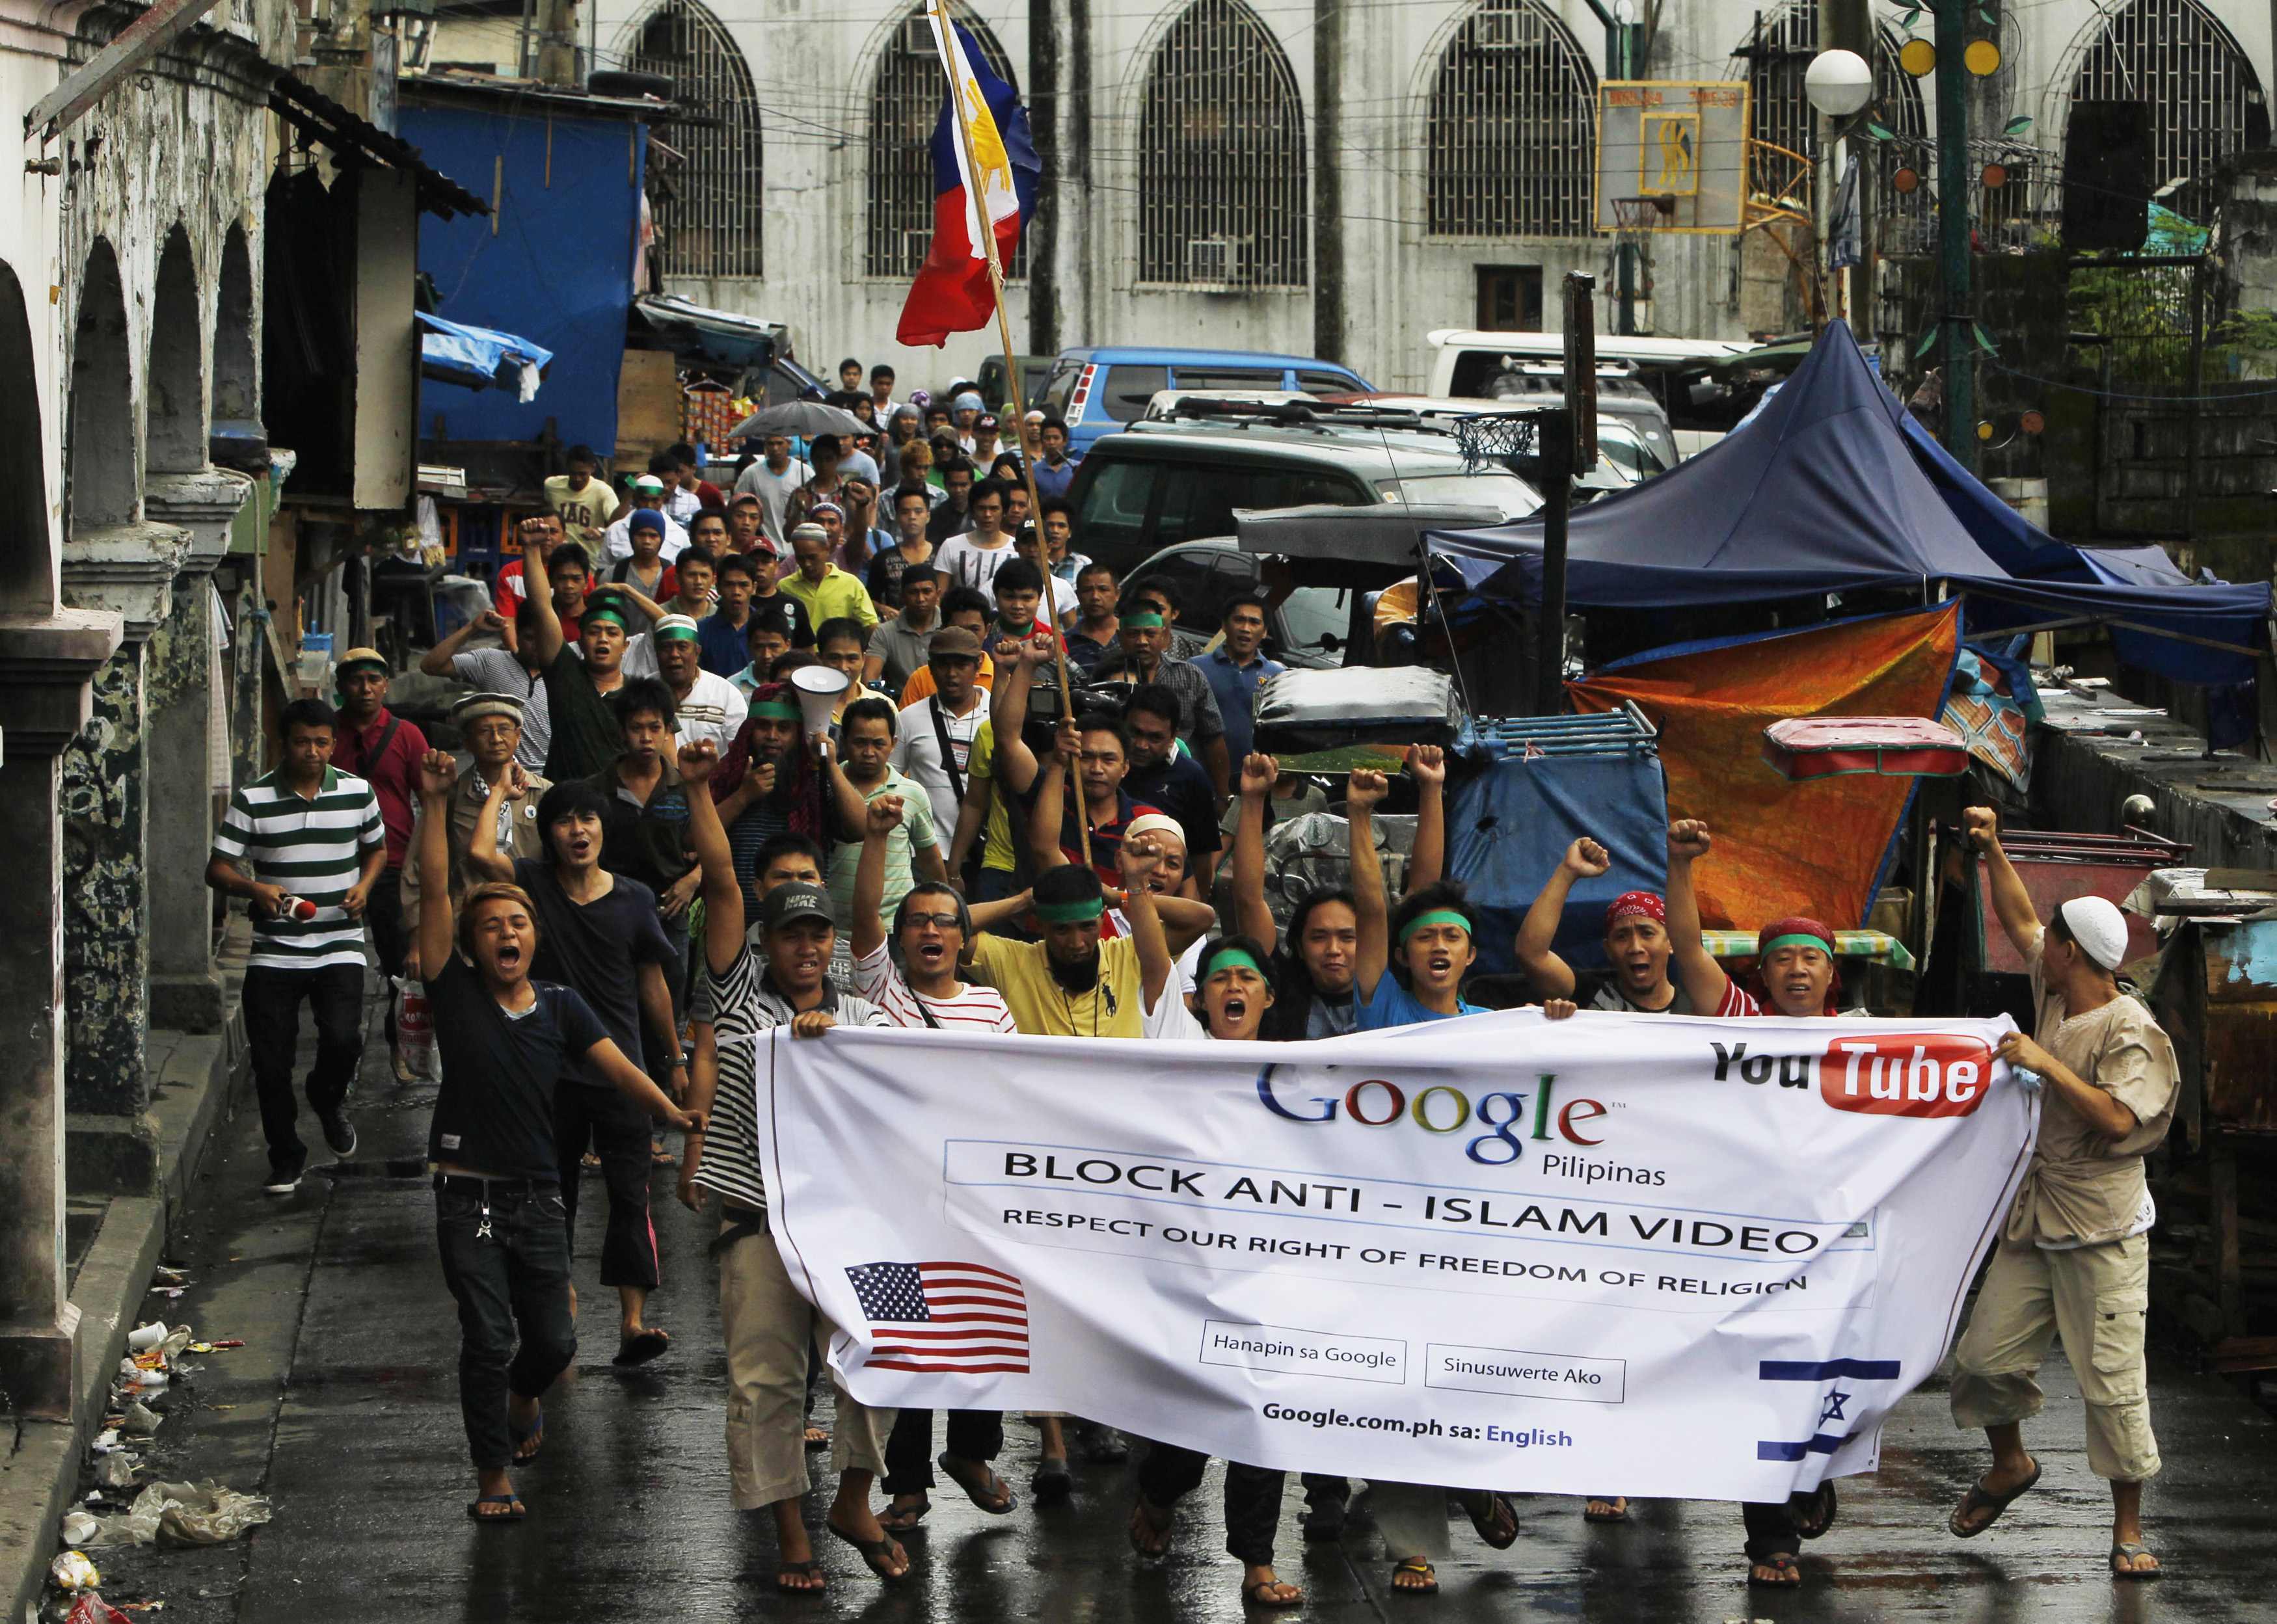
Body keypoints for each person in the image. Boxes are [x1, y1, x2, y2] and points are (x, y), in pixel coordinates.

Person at [407, 748, 699, 1524]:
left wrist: (668, 1108)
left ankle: (524, 1393)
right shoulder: (455, 991)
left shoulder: (563, 1006)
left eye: (519, 923)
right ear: (472, 946)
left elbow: (614, 1064)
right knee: (485, 1333)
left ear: (533, 938)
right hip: (467, 1193)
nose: (508, 933)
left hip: (537, 1197)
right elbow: (438, 890)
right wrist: (436, 803)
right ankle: (493, 1474)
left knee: (554, 1344)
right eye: (493, 926)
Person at [673, 739, 908, 1594]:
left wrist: (831, 1044)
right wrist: (702, 788)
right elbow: (724, 882)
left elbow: (898, 1095)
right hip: (759, 1223)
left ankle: (853, 1500)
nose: (805, 947)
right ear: (767, 942)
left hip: (854, 1225)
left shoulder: (863, 1015)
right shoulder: (737, 997)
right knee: (765, 1384)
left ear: (830, 942)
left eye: (817, 932)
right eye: (791, 934)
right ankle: (790, 1532)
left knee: (890, 1355)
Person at [1946, 807, 2176, 1581]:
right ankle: (2008, 1464)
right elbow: (2015, 915)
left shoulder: (2127, 1027)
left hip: (2103, 1228)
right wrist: (1992, 847)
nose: (2035, 947)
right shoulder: (2057, 992)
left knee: (2111, 1384)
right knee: (1981, 1360)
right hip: (2037, 1217)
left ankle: (2126, 1527)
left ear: (2071, 952)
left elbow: (2117, 1117)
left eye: (2050, 941)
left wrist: (2045, 1066)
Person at [1657, 819, 1852, 1585]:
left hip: (1836, 1243)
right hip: (1750, 1241)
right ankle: (1769, 1538)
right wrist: (1680, 865)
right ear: (1763, 976)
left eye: (1810, 957)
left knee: (1828, 1374)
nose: (1796, 970)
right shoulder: (1744, 1024)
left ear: (1829, 973)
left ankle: (1811, 1476)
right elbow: (1686, 951)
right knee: (1756, 1384)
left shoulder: (1872, 1041)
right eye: (1782, 959)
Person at [841, 794, 1024, 1533]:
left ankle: (973, 1452)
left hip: (972, 1196)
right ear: (900, 936)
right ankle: (908, 1484)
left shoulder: (989, 1005)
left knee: (981, 1324)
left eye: (944, 921)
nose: (929, 931)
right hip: (894, 1197)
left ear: (963, 940)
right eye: (916, 920)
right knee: (909, 1336)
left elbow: (1014, 1093)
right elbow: (860, 923)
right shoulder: (880, 993)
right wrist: (879, 838)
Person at [463, 768, 686, 1365]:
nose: (578, 830)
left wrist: (674, 1058)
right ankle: (555, 1315)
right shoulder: (532, 884)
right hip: (548, 1074)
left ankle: (633, 1323)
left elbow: (652, 983)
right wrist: (505, 797)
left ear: (603, 829)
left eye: (587, 819)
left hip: (622, 1072)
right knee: (548, 1195)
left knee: (630, 1196)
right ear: (549, 832)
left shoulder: (635, 898)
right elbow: (482, 853)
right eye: (564, 820)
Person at [1130, 934, 1302, 1607]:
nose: (1235, 988)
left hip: (1269, 1276)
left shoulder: (1302, 1073)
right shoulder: (1180, 1048)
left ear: (1267, 994)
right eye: (1221, 978)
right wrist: (1139, 890)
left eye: (1247, 977)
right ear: (1199, 999)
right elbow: (1151, 959)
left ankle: (1256, 1564)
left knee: (1261, 1414)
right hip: (1189, 1274)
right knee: (1192, 1431)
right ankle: (1158, 1488)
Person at [206, 698, 386, 1193]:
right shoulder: (253, 798)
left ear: (334, 744)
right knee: (269, 1061)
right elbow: (217, 868)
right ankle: (286, 1156)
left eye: (322, 742)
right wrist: (255, 888)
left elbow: (377, 850)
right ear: (283, 743)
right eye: (303, 741)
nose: (312, 751)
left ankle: (327, 1099)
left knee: (345, 1038)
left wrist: (365, 888)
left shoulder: (356, 792)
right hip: (276, 947)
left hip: (339, 942)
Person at [963, 859, 1211, 1041]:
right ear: (1040, 925)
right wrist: (1020, 902)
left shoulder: (1128, 955)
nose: (1077, 942)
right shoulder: (1012, 961)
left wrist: (1119, 897)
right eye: (1061, 930)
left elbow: (1202, 918)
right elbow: (947, 924)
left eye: (1087, 927)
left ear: (1103, 918)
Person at [329, 646, 429, 1078]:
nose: (366, 689)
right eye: (356, 680)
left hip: (393, 865)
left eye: (374, 679)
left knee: (400, 964)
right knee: (334, 961)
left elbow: (429, 799)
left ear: (386, 685)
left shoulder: (407, 735)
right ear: (341, 687)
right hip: (336, 865)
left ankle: (399, 1046)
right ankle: (338, 1047)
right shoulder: (325, 734)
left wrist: (427, 863)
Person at [399, 693, 552, 943]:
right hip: (467, 928)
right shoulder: (449, 796)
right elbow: (417, 865)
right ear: (467, 742)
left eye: (504, 729)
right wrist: (418, 933)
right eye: (484, 731)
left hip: (532, 926)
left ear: (518, 735)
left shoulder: (544, 794)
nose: (496, 739)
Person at [710, 682, 868, 914]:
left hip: (802, 919)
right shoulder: (728, 776)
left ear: (797, 733)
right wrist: (743, 796)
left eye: (783, 728)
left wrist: (830, 765)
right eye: (764, 726)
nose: (772, 736)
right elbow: (694, 839)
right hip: (734, 920)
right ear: (749, 730)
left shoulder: (814, 781)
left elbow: (860, 827)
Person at [1516, 838, 1693, 1017]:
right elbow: (1532, 954)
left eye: (1647, 934)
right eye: (1622, 937)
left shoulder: (1696, 1008)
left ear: (1671, 942)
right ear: (1608, 949)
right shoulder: (1588, 994)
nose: (1635, 948)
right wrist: (1567, 871)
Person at [1094, 591, 1231, 799]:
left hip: (1176, 785)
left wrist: (1223, 796)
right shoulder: (1107, 678)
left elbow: (1214, 739)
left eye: (1150, 634)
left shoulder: (1190, 676)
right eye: (1133, 634)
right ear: (1120, 636)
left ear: (1164, 635)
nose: (1142, 641)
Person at [824, 697, 946, 931]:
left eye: (878, 744)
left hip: (892, 926)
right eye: (860, 743)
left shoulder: (912, 794)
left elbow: (929, 858)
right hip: (832, 927)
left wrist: (941, 907)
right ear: (844, 742)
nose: (869, 752)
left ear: (894, 744)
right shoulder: (825, 786)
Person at [524, 542, 638, 782]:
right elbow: (542, 607)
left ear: (626, 645)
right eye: (594, 632)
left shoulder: (640, 694)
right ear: (581, 641)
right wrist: (531, 548)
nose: (603, 639)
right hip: (565, 802)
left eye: (612, 633)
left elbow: (664, 758)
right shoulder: (565, 674)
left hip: (620, 808)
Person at [890, 624, 991, 838]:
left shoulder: (998, 716)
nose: (951, 673)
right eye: (943, 665)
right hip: (925, 851)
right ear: (930, 667)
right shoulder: (908, 718)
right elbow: (890, 781)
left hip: (986, 851)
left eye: (961, 665)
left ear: (978, 664)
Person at [1118, 684, 1222, 879]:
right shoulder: (1103, 768)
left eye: (1154, 738)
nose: (1141, 745)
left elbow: (1201, 859)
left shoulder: (1192, 778)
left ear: (1173, 737)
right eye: (1135, 733)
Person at [1200, 594, 1284, 769]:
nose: (1246, 628)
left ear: (1265, 631)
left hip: (1255, 775)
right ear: (1224, 625)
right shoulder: (1196, 668)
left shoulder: (1278, 677)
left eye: (1254, 622)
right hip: (1202, 775)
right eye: (1239, 620)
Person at [653, 613, 749, 752]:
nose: (674, 654)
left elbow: (739, 752)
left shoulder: (726, 694)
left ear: (697, 652)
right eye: (666, 647)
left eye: (682, 647)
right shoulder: (642, 692)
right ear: (656, 653)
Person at [895, 587, 994, 706]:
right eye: (958, 629)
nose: (966, 637)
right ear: (944, 629)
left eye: (974, 630)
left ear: (987, 630)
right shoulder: (921, 679)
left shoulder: (999, 678)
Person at [779, 522, 880, 632]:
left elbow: (871, 626)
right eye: (800, 558)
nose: (807, 564)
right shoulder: (785, 587)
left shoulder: (851, 585)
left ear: (827, 549)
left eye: (812, 557)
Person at [934, 477, 1017, 604]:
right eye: (982, 508)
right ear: (972, 511)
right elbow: (939, 597)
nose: (987, 515)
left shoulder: (1016, 549)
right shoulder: (951, 546)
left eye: (994, 509)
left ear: (1004, 512)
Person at [864, 563, 941, 693]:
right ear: (902, 596)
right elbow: (869, 680)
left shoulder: (950, 626)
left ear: (938, 594)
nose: (921, 599)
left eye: (927, 591)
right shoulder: (885, 632)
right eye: (913, 592)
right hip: (901, 706)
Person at [494, 512, 578, 622]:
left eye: (553, 531)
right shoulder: (510, 574)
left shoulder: (579, 574)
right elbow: (506, 623)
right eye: (541, 531)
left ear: (564, 537)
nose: (547, 537)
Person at [867, 483, 937, 613]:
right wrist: (883, 609)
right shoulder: (883, 558)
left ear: (928, 516)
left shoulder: (941, 554)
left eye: (918, 511)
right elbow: (869, 599)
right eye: (905, 512)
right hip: (896, 628)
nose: (912, 517)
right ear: (897, 517)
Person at [606, 511, 677, 633]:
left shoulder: (672, 575)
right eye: (641, 535)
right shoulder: (614, 574)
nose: (647, 541)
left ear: (662, 538)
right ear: (631, 537)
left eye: (653, 536)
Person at [734, 432, 811, 545]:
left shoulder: (805, 472)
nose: (775, 448)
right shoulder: (751, 473)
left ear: (789, 444)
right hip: (763, 544)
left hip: (798, 544)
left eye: (780, 443)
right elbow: (737, 505)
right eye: (771, 444)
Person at [544, 445, 617, 559]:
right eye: (573, 473)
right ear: (567, 467)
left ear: (593, 468)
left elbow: (619, 524)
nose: (578, 478)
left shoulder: (603, 492)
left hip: (590, 559)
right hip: (558, 557)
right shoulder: (551, 486)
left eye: (583, 474)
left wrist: (601, 531)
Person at [697, 551, 762, 678]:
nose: (736, 592)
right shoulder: (701, 631)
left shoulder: (767, 629)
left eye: (743, 585)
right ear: (718, 588)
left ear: (754, 588)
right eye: (729, 585)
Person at [602, 488, 690, 566]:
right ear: (635, 499)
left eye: (655, 501)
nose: (649, 506)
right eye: (644, 500)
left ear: (662, 500)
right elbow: (602, 571)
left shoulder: (679, 534)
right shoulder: (614, 531)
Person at [731, 602, 798, 697]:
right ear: (749, 646)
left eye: (774, 646)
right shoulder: (732, 687)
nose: (767, 655)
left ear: (788, 645)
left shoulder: (799, 687)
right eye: (759, 647)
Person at [1066, 562, 1120, 672]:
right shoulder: (1066, 642)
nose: (1095, 597)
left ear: (1117, 594)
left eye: (1103, 589)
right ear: (1078, 596)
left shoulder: (1133, 635)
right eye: (1087, 591)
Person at [1031, 415, 1082, 500]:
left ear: (1065, 441)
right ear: (1041, 441)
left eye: (1056, 438)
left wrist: (1082, 477)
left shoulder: (1078, 468)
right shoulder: (1033, 471)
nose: (1051, 442)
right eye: (1047, 438)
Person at [926, 458, 975, 544]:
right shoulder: (935, 517)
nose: (958, 490)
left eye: (963, 485)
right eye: (953, 485)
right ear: (945, 484)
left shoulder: (981, 513)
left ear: (972, 484)